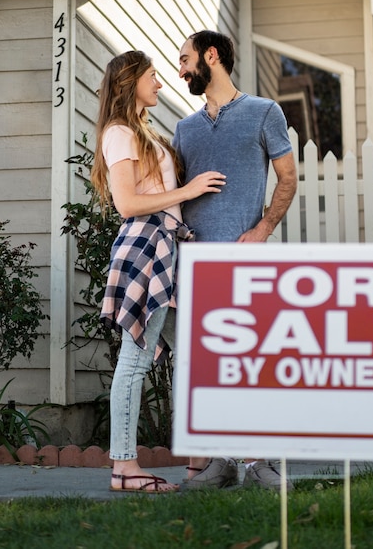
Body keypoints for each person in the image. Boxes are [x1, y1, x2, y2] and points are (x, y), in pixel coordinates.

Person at [91, 50, 226, 493]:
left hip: (165, 247)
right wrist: (186, 190)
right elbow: (128, 204)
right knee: (134, 362)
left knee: (191, 359)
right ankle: (124, 470)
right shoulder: (119, 134)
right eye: (153, 76)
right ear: (131, 80)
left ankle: (197, 464)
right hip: (145, 247)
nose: (161, 83)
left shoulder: (140, 132)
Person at [172, 30, 298, 491]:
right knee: (212, 366)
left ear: (211, 56)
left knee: (253, 361)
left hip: (246, 266)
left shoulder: (265, 112)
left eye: (185, 59)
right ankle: (222, 461)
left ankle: (259, 461)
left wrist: (262, 229)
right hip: (196, 269)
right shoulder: (184, 128)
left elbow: (287, 179)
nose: (180, 68)